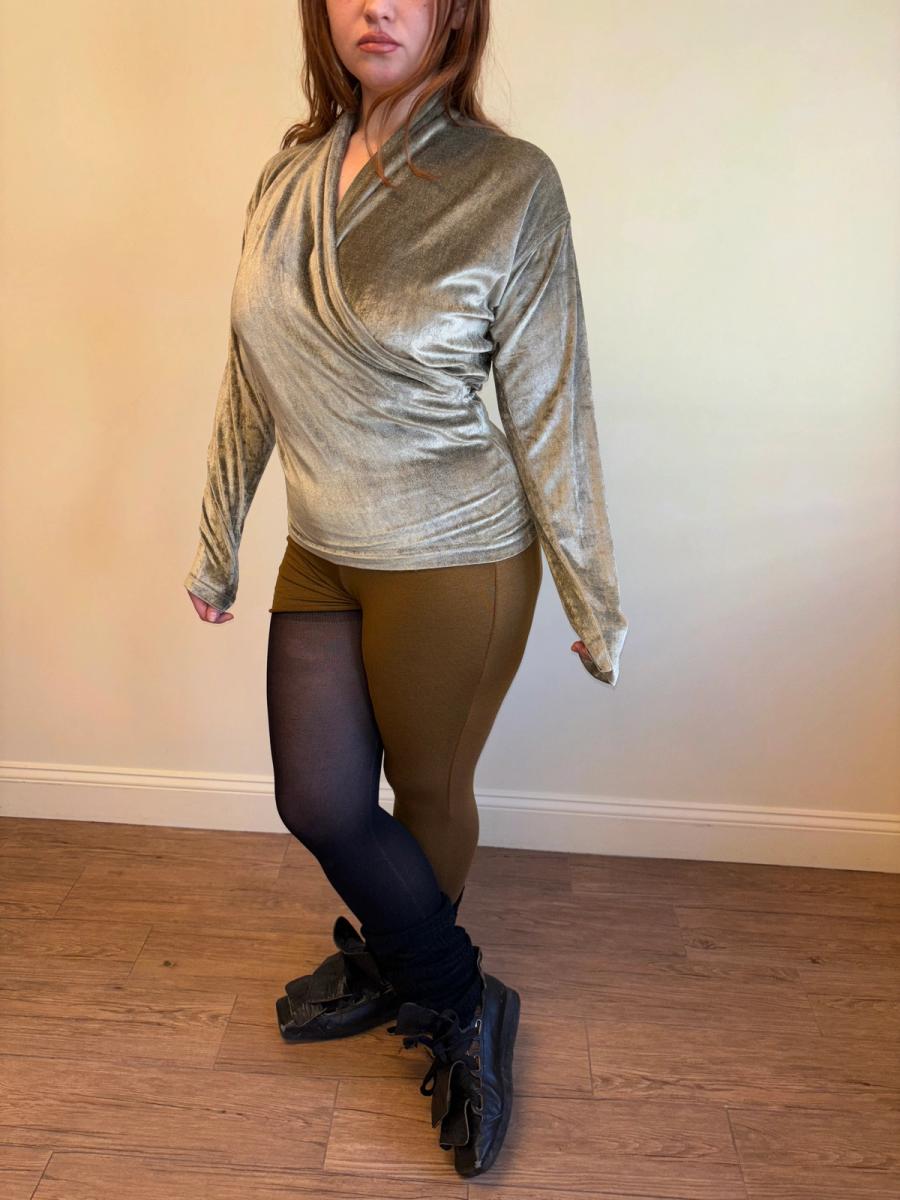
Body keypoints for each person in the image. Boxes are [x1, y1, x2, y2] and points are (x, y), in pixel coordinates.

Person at [183, 0, 628, 1179]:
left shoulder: (510, 184)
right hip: (322, 545)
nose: (376, 5)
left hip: (456, 556)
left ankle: (439, 995)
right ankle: (443, 975)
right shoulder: (288, 176)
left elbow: (551, 402)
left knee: (424, 793)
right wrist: (218, 536)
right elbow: (250, 373)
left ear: (455, 13)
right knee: (319, 800)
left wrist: (592, 592)